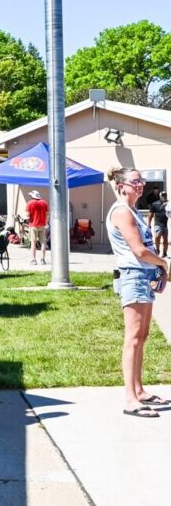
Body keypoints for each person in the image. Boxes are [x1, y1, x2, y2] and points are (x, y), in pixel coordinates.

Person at [105, 167, 169, 418]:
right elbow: (139, 251)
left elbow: (147, 249)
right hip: (133, 276)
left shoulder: (134, 211)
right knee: (133, 337)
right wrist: (164, 264)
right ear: (121, 186)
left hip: (144, 275)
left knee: (142, 335)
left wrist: (159, 271)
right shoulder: (121, 212)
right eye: (134, 182)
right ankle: (131, 399)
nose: (140, 185)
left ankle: (139, 390)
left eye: (141, 180)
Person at [25, 190, 49, 265]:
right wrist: (46, 223)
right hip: (42, 225)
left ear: (33, 196)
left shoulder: (30, 203)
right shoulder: (44, 203)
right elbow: (47, 214)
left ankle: (33, 260)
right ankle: (43, 259)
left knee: (33, 243)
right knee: (43, 243)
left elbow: (27, 215)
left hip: (33, 225)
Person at [147, 191, 168, 259]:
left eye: (165, 195)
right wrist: (149, 224)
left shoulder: (169, 204)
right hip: (157, 223)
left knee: (165, 239)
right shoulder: (155, 204)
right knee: (157, 236)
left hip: (165, 224)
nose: (164, 196)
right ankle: (157, 249)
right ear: (160, 196)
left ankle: (164, 253)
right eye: (163, 195)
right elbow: (150, 214)